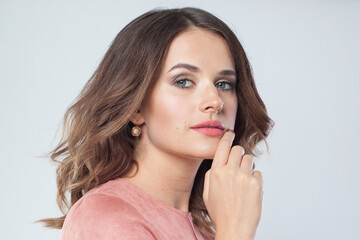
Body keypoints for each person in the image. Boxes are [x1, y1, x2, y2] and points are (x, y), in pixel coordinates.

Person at [39, 7, 274, 240]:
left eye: (224, 84)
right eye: (183, 82)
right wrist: (236, 232)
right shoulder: (106, 217)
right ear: (137, 106)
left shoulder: (206, 230)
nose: (215, 101)